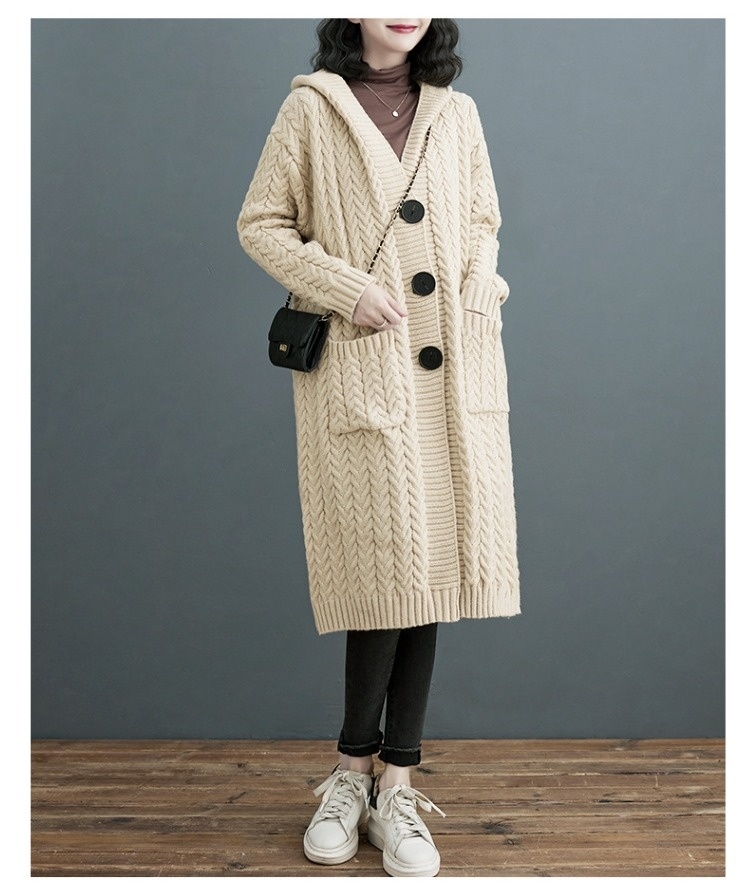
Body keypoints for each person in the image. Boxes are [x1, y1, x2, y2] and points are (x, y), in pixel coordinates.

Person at [236, 18, 520, 878]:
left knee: (432, 574)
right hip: (367, 375)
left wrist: (482, 289)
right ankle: (350, 775)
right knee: (382, 574)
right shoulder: (312, 110)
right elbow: (262, 224)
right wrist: (344, 287)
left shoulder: (456, 113)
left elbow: (484, 220)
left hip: (454, 377)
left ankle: (395, 784)